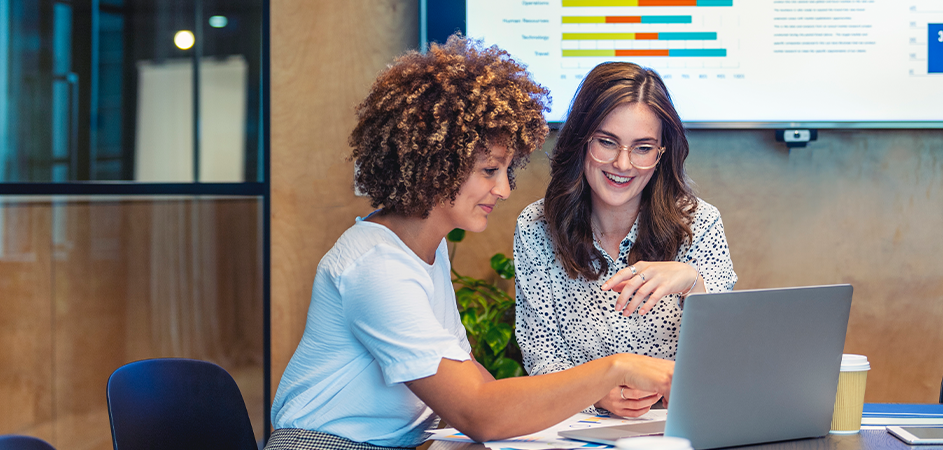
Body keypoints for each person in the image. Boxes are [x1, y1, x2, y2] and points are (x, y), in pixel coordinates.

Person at [268, 38, 675, 450]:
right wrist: (615, 369)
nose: (503, 189)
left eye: (504, 170)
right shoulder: (376, 266)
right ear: (435, 164)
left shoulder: (426, 249)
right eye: (489, 170)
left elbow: (477, 382)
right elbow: (477, 411)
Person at [514, 62, 737, 419]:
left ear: (662, 153)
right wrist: (597, 395)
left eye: (643, 148)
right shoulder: (536, 227)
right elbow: (541, 352)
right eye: (606, 142)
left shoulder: (700, 223)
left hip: (674, 428)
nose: (622, 164)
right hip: (575, 429)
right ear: (581, 140)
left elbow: (725, 355)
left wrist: (692, 282)